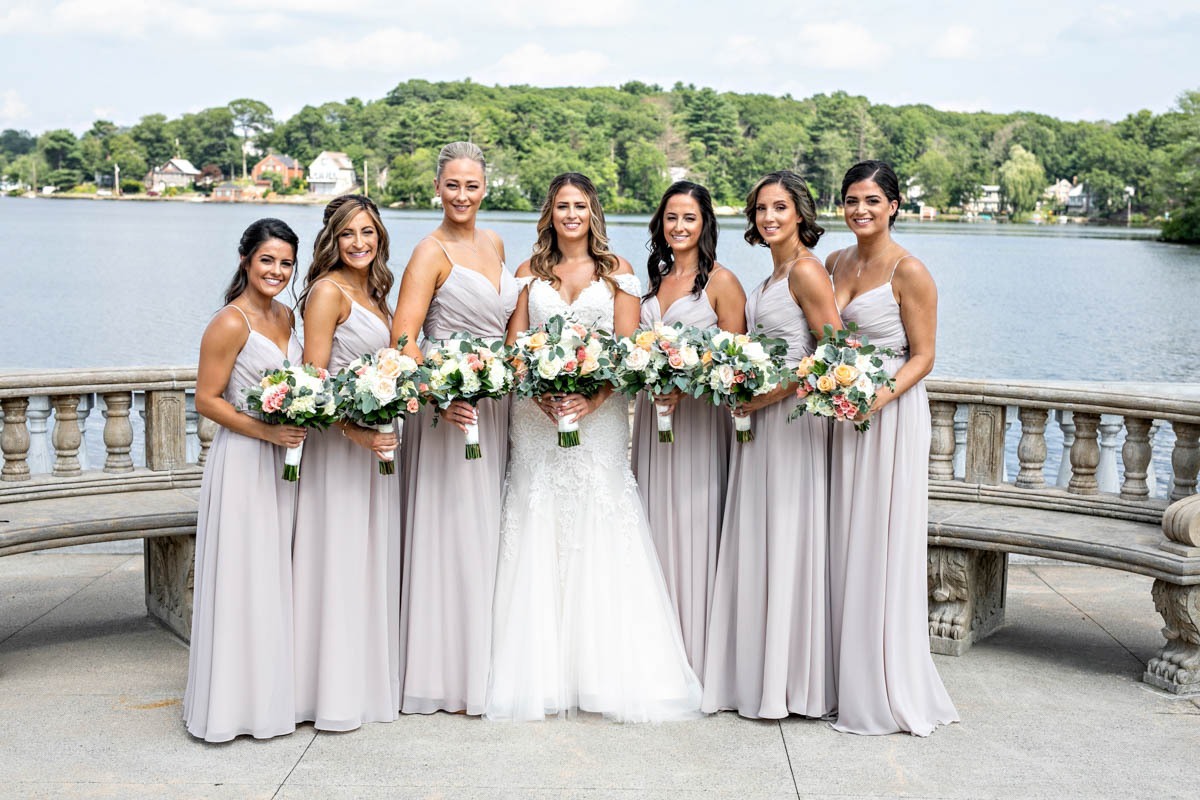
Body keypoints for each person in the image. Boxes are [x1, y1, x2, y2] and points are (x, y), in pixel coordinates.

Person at [485, 173, 702, 722]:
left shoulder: (620, 274)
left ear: (593, 211)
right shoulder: (527, 274)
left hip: (599, 421)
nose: (572, 215)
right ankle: (538, 673)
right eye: (562, 205)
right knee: (537, 525)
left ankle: (604, 671)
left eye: (580, 205)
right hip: (535, 422)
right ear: (550, 212)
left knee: (599, 525)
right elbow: (514, 350)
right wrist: (540, 400)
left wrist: (588, 401)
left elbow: (628, 356)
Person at [701, 171, 842, 719]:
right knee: (759, 537)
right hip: (757, 426)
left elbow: (831, 357)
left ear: (801, 214)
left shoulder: (806, 271)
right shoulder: (771, 276)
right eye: (761, 209)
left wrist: (764, 398)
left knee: (787, 536)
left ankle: (793, 684)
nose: (769, 217)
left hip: (789, 425)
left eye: (780, 207)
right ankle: (758, 675)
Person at [826, 160, 958, 736]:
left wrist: (877, 398)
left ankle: (883, 677)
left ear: (894, 205)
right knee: (841, 532)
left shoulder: (911, 271)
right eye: (852, 200)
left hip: (891, 412)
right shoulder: (835, 262)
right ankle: (837, 668)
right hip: (839, 408)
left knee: (880, 536)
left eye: (872, 201)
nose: (860, 210)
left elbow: (924, 356)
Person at [392, 142, 519, 715]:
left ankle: (486, 662)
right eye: (452, 186)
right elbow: (403, 340)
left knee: (488, 528)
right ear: (437, 189)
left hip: (494, 407)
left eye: (472, 186)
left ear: (484, 188)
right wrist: (440, 398)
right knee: (454, 530)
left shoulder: (494, 243)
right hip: (452, 413)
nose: (462, 196)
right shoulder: (429, 251)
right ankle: (446, 673)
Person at [183, 218, 305, 742]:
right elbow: (207, 400)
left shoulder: (288, 314)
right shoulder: (230, 323)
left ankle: (269, 697)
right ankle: (230, 707)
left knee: (274, 575)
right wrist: (267, 433)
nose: (276, 271)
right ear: (245, 260)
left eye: (285, 263)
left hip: (284, 463)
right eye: (267, 261)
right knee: (243, 575)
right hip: (244, 461)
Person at [291, 195, 401, 731]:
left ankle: (362, 682)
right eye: (348, 235)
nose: (359, 243)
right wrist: (353, 430)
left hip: (374, 441)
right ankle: (327, 694)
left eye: (368, 233)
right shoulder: (327, 292)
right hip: (340, 448)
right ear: (332, 240)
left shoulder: (376, 291)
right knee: (336, 558)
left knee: (367, 558)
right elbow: (314, 380)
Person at [630, 181, 746, 676]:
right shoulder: (651, 284)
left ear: (705, 225)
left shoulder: (722, 282)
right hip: (654, 427)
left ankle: (698, 656)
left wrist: (690, 383)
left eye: (689, 219)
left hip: (699, 426)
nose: (679, 227)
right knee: (651, 526)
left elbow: (738, 366)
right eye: (671, 217)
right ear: (661, 224)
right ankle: (655, 652)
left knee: (694, 525)